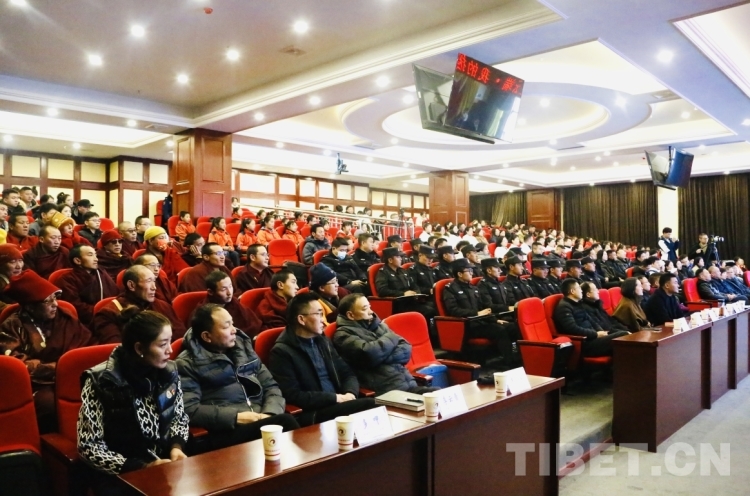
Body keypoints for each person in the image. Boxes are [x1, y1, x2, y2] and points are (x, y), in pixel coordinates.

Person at [77, 309, 189, 493]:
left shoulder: (168, 372)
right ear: (139, 349)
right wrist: (142, 467)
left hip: (164, 464)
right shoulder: (102, 381)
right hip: (122, 473)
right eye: (163, 344)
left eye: (170, 341)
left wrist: (176, 447)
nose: (170, 350)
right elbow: (89, 447)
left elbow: (179, 417)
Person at [175, 304, 299, 451]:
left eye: (232, 323)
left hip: (260, 419)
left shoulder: (244, 350)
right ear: (207, 336)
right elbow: (190, 409)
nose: (234, 330)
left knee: (281, 425)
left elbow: (270, 386)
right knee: (285, 423)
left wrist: (269, 414)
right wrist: (236, 417)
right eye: (226, 326)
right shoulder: (187, 363)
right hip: (225, 430)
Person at [1, 270, 91, 432]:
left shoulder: (65, 318)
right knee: (48, 403)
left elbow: (86, 347)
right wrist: (58, 368)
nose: (55, 304)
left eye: (55, 298)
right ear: (30, 307)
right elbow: (18, 366)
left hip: (74, 376)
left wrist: (71, 369)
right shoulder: (12, 326)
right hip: (41, 384)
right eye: (47, 301)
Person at [267, 293, 376, 427]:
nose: (323, 319)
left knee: (374, 406)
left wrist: (350, 393)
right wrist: (336, 398)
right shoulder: (282, 352)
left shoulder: (323, 341)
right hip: (314, 412)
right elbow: (293, 395)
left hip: (339, 402)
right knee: (371, 405)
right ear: (301, 319)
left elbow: (347, 373)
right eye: (318, 314)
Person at [333, 294, 439, 395]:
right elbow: (369, 354)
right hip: (386, 392)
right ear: (350, 315)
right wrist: (390, 338)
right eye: (365, 309)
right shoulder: (343, 335)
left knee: (440, 394)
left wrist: (381, 357)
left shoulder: (378, 325)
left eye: (370, 307)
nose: (371, 312)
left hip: (409, 384)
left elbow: (406, 348)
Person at [442, 259, 519, 367]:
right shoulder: (450, 289)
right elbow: (453, 310)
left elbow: (484, 308)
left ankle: (519, 357)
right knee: (499, 330)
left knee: (512, 327)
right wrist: (477, 313)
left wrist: (495, 320)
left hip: (481, 322)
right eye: (469, 271)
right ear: (459, 274)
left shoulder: (473, 288)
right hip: (467, 326)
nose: (472, 273)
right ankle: (509, 362)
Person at [92, 266, 187, 344]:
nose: (154, 287)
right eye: (148, 281)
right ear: (131, 285)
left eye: (154, 281)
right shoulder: (109, 313)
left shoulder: (163, 306)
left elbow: (180, 337)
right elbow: (116, 349)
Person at [553, 279, 629, 357]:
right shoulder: (564, 307)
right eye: (579, 288)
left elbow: (591, 321)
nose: (581, 291)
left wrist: (601, 331)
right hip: (585, 343)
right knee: (623, 335)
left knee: (623, 334)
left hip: (593, 338)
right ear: (572, 291)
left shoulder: (578, 304)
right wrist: (595, 334)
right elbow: (572, 329)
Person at [56, 244, 119, 326]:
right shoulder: (67, 279)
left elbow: (115, 292)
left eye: (95, 255)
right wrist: (103, 312)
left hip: (110, 314)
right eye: (90, 255)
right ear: (77, 261)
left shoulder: (101, 272)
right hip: (88, 320)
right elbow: (76, 306)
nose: (96, 259)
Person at [375, 246, 436, 319]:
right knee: (429, 311)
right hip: (398, 303)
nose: (401, 259)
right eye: (398, 257)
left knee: (434, 307)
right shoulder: (383, 273)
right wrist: (403, 294)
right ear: (390, 260)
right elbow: (382, 290)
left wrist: (416, 292)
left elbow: (413, 284)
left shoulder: (402, 271)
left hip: (410, 301)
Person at [201, 271, 263, 338]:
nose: (229, 293)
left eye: (230, 287)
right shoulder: (204, 312)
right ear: (210, 292)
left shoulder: (235, 303)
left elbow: (255, 325)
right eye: (223, 289)